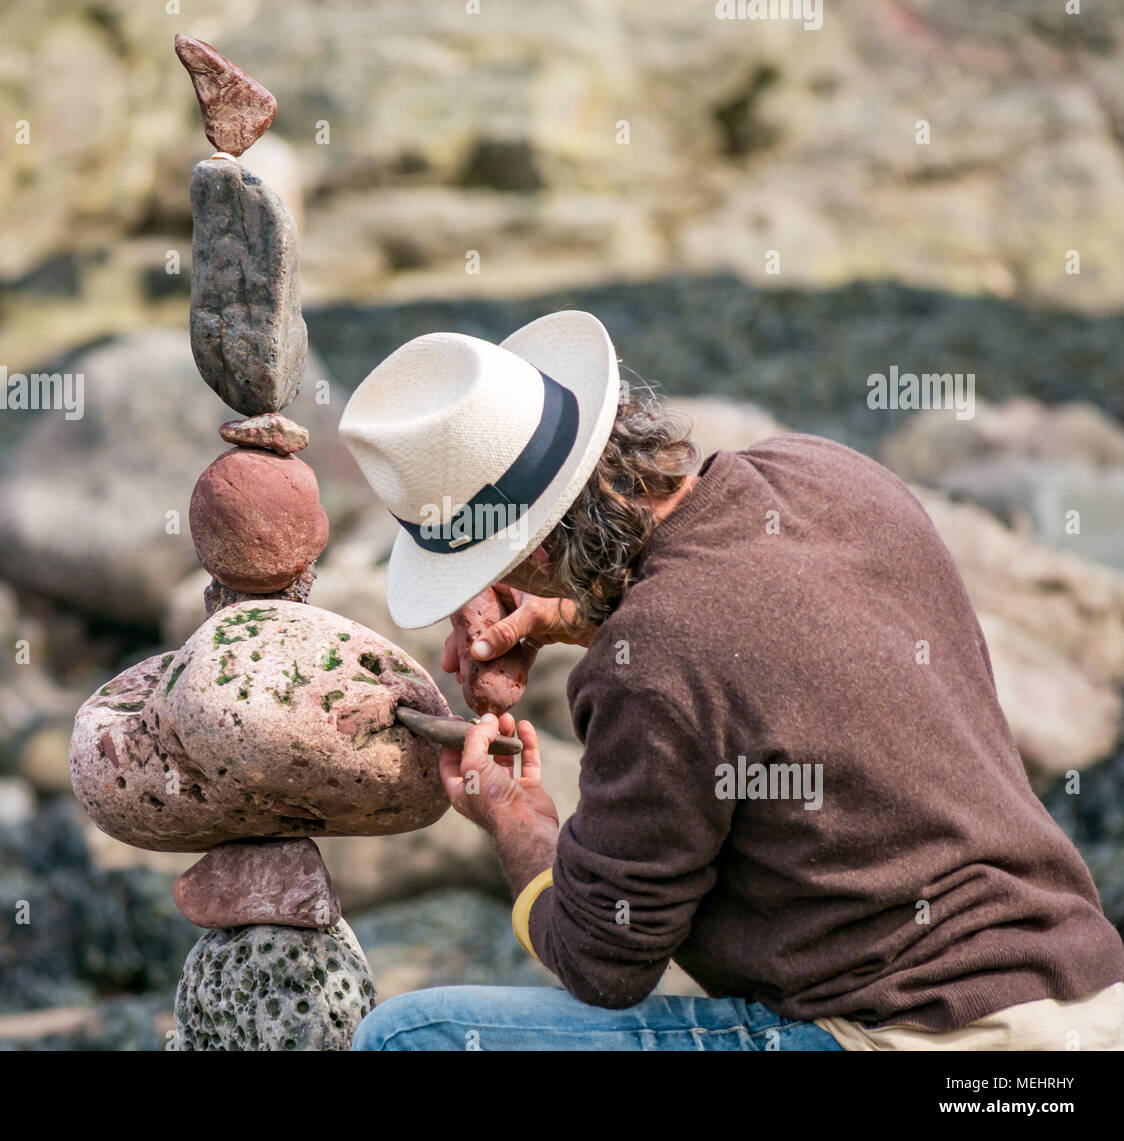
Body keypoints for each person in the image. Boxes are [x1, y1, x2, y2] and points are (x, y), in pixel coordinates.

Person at [337, 310, 1124, 1050]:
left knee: (410, 1036)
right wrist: (583, 620)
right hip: (1089, 1004)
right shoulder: (826, 472)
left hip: (918, 1037)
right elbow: (738, 632)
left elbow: (602, 958)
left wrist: (515, 820)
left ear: (534, 556)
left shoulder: (653, 663)